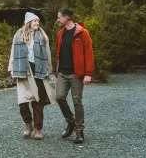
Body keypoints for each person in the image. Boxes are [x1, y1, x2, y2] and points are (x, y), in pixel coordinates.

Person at [8, 12, 55, 140]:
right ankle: (28, 124)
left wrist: (49, 69)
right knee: (22, 102)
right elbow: (13, 52)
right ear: (28, 22)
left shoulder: (42, 37)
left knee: (38, 101)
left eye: (38, 22)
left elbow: (48, 54)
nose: (37, 24)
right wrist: (12, 69)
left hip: (38, 70)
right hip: (23, 70)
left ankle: (38, 129)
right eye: (34, 21)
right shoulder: (18, 36)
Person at [55, 8, 94, 144]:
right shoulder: (60, 34)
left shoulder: (82, 33)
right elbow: (58, 54)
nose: (57, 19)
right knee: (59, 97)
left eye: (59, 17)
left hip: (76, 73)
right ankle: (71, 122)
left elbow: (89, 54)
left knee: (77, 101)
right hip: (62, 73)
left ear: (66, 18)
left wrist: (88, 74)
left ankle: (79, 131)